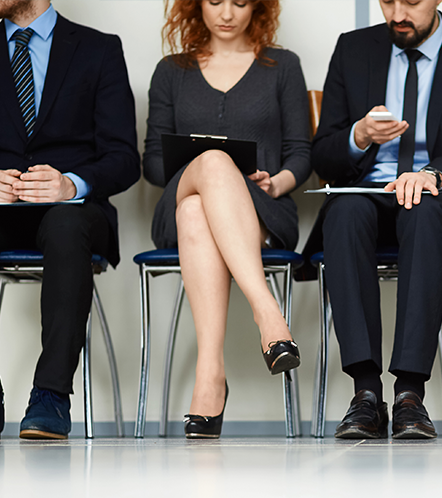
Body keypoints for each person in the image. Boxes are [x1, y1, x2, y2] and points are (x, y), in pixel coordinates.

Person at [0, 0, 140, 439]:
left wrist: (73, 185)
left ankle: (51, 395)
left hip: (75, 213)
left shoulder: (99, 50)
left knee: (66, 225)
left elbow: (124, 159)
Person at [302, 0, 442, 439]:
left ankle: (410, 395)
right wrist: (358, 136)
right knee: (345, 212)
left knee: (423, 210)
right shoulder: (353, 49)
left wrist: (432, 174)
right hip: (368, 189)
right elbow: (322, 152)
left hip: (439, 194)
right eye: (387, 1)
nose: (397, 12)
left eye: (410, 2)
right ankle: (366, 395)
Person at [142, 0, 310, 439]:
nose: (228, 13)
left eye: (240, 1)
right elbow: (154, 165)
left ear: (259, 6)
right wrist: (206, 167)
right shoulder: (170, 71)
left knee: (198, 211)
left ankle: (210, 375)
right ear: (196, 5)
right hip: (176, 203)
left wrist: (276, 182)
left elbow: (301, 154)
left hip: (261, 209)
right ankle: (268, 315)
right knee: (211, 168)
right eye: (215, 1)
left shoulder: (283, 66)